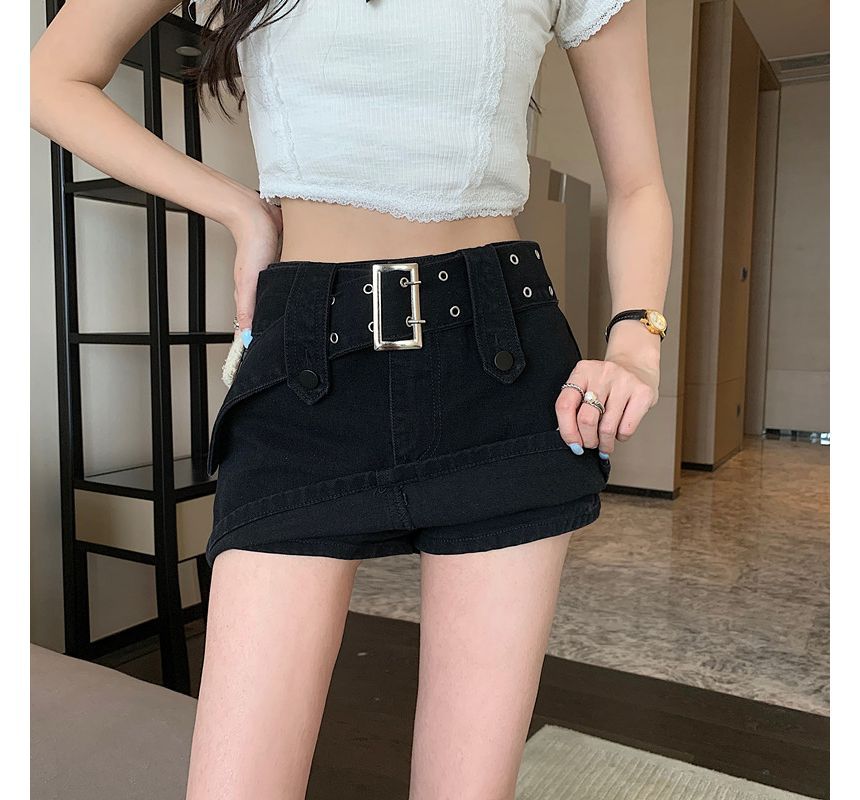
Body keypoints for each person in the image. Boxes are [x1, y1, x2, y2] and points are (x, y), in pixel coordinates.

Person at [31, 0, 672, 797]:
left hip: (497, 364)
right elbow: (51, 78)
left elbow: (639, 183)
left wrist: (635, 339)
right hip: (305, 362)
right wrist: (238, 208)